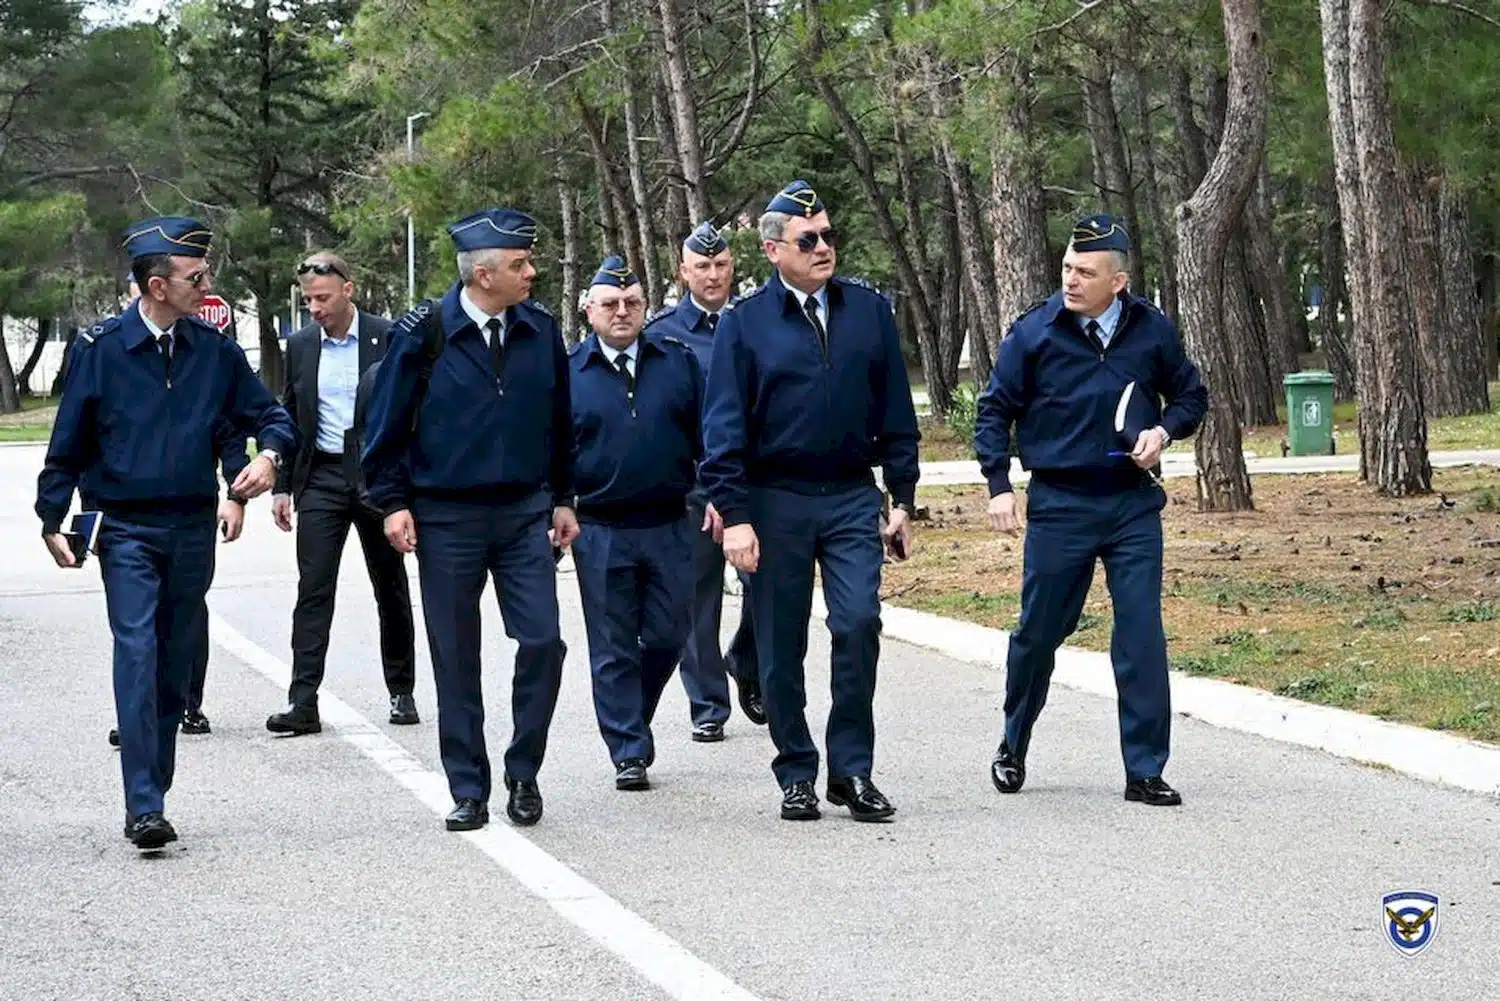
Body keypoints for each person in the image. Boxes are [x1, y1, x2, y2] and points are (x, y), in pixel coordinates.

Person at [37, 215, 294, 850]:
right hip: (124, 526)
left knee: (175, 662)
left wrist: (266, 459)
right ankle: (143, 804)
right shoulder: (100, 349)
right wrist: (52, 516)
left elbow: (269, 415)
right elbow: (67, 442)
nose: (206, 287)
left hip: (189, 527)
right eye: (195, 278)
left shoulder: (215, 351)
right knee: (136, 650)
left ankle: (154, 777)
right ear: (158, 286)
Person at [700, 180, 921, 823]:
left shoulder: (868, 311)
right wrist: (736, 516)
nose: (823, 247)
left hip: (851, 495)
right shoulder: (744, 324)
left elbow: (896, 413)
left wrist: (902, 497)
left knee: (858, 623)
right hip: (776, 500)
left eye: (828, 235)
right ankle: (796, 770)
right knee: (781, 642)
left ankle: (851, 771)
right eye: (808, 239)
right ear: (774, 250)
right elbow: (723, 429)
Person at [974, 213, 1208, 807]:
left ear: (1118, 282)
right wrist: (999, 484)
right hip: (1061, 504)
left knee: (1141, 635)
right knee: (1039, 632)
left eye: (1085, 272)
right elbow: (994, 409)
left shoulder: (1151, 330)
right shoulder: (1035, 331)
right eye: (1067, 268)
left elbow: (1190, 396)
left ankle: (1145, 770)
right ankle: (1013, 742)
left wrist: (1163, 431)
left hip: (1131, 504)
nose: (1071, 281)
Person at [361, 206, 578, 831]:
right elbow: (385, 428)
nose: (531, 272)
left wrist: (565, 496)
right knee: (456, 656)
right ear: (484, 275)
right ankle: (468, 787)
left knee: (544, 642)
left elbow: (561, 422)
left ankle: (523, 771)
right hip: (446, 517)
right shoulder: (424, 334)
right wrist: (393, 502)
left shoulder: (540, 330)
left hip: (522, 514)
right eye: (520, 264)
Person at [264, 251, 419, 736]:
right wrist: (283, 486)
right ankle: (302, 700)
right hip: (323, 478)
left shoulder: (386, 336)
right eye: (308, 300)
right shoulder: (301, 345)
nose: (314, 308)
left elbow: (407, 411)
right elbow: (291, 414)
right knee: (313, 589)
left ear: (348, 290)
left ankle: (401, 690)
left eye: (323, 298)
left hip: (376, 478)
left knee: (389, 585)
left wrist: (404, 490)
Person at [568, 255, 706, 790]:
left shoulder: (677, 362)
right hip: (599, 527)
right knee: (613, 646)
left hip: (669, 523)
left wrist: (718, 496)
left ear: (646, 307)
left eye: (632, 302)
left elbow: (707, 436)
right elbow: (549, 449)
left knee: (670, 635)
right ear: (589, 311)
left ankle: (633, 714)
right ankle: (628, 749)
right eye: (610, 303)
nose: (622, 312)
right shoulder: (568, 372)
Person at [643, 221, 764, 742]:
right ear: (682, 272)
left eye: (720, 265)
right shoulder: (662, 334)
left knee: (767, 587)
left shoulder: (755, 323)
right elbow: (661, 419)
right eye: (701, 266)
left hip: (753, 482)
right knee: (698, 596)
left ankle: (747, 661)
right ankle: (708, 704)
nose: (712, 275)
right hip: (691, 485)